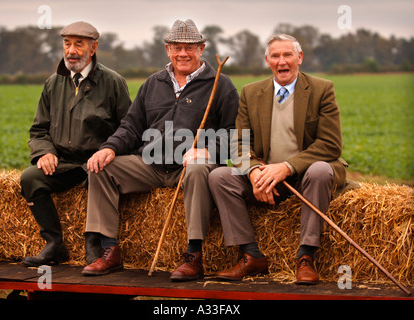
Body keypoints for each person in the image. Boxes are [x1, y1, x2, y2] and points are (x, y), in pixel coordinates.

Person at [81, 19, 239, 279]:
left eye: (190, 47)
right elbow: (131, 126)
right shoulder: (153, 83)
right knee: (101, 169)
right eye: (177, 47)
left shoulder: (221, 84)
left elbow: (235, 134)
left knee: (199, 169)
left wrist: (208, 151)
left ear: (202, 48)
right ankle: (110, 251)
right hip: (151, 164)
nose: (183, 53)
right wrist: (109, 148)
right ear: (168, 50)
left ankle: (193, 255)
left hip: (190, 167)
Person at [208, 34, 347, 283]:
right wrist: (253, 173)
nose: (282, 61)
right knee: (219, 176)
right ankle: (251, 255)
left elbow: (330, 144)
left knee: (321, 170)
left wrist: (287, 167)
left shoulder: (321, 89)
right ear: (267, 61)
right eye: (275, 56)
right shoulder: (251, 93)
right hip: (266, 179)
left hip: (305, 177)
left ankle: (306, 257)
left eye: (288, 55)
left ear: (299, 58)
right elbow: (239, 144)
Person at [20, 21, 132, 267]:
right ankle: (54, 243)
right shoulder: (53, 83)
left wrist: (108, 152)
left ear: (93, 48)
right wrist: (44, 152)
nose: (71, 51)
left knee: (97, 175)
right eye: (67, 44)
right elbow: (39, 129)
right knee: (30, 178)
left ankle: (94, 243)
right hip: (65, 163)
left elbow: (128, 127)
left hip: (97, 163)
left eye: (78, 45)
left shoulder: (113, 82)